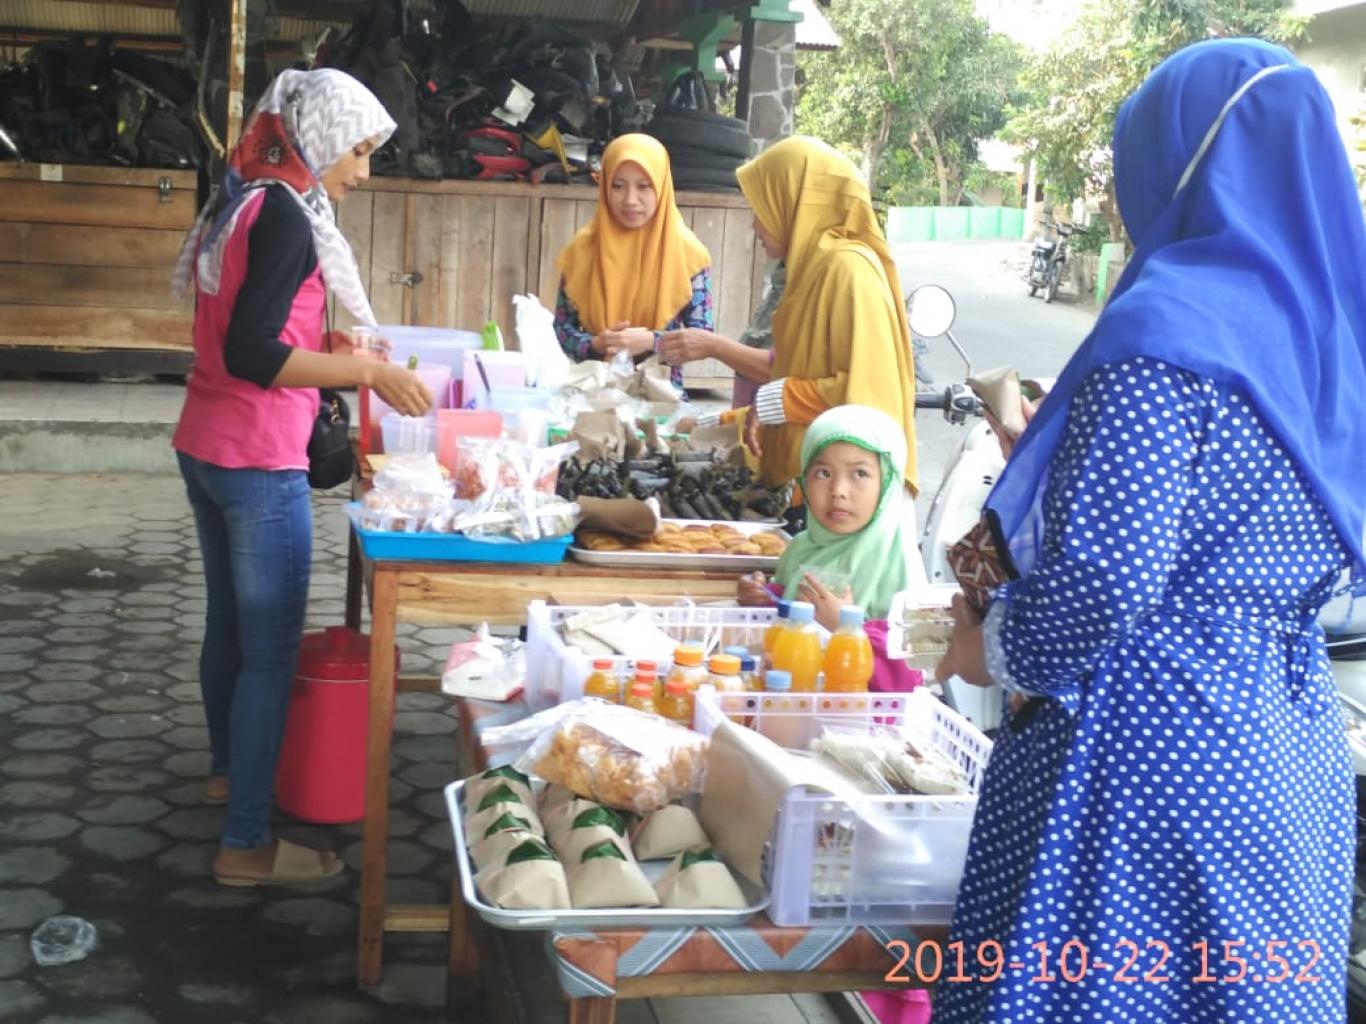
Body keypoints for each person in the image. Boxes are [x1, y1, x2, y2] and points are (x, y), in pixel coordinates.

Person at [933, 39, 1365, 1023]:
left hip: (1144, 761)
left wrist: (989, 644)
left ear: (1170, 162)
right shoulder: (1326, 347)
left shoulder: (1165, 334)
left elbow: (1108, 582)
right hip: (1288, 756)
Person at [171, 69, 432, 887]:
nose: (362, 171)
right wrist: (369, 378)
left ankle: (226, 775)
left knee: (231, 629)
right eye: (358, 151)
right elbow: (256, 352)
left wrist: (341, 357)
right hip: (256, 460)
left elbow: (251, 333)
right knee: (271, 652)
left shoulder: (246, 196)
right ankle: (246, 844)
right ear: (319, 139)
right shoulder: (283, 214)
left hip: (206, 444)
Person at [731, 137, 917, 492]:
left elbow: (866, 394)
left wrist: (777, 400)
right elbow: (803, 371)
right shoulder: (809, 271)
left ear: (795, 203)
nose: (755, 226)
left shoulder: (848, 270)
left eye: (763, 208)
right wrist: (727, 420)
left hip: (846, 502)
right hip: (817, 488)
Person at [738, 405, 926, 695]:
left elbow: (909, 674)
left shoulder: (898, 565)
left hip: (858, 722)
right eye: (823, 473)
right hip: (791, 702)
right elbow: (790, 617)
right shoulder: (801, 548)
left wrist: (847, 628)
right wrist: (766, 597)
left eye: (860, 474)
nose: (838, 490)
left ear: (887, 481)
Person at [553, 133, 713, 388]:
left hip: (660, 402)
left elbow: (703, 338)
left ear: (661, 186)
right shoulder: (582, 250)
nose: (630, 200)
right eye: (617, 186)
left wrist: (653, 341)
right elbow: (561, 330)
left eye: (644, 186)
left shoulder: (688, 253)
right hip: (592, 395)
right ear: (604, 186)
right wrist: (595, 344)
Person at [657, 260, 784, 410]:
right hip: (751, 414)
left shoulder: (688, 254)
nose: (758, 235)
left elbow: (781, 370)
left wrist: (651, 342)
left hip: (663, 387)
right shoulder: (781, 279)